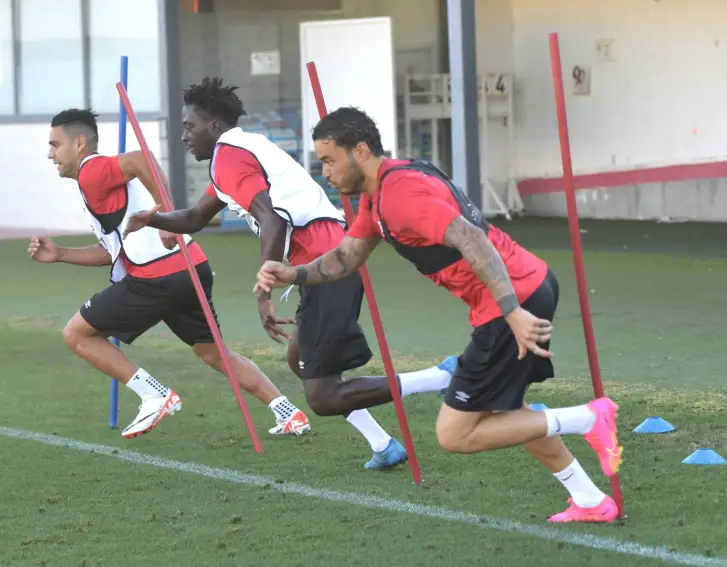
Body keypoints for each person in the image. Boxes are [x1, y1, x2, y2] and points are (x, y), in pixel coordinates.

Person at [253, 106, 623, 523]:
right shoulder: (382, 191)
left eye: (329, 160)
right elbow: (345, 257)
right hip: (526, 286)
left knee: (456, 433)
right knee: (507, 412)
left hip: (513, 299)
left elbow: (472, 239)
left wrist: (512, 313)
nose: (325, 173)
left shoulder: (400, 195)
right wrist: (294, 273)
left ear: (360, 151)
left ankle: (589, 418)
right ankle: (591, 500)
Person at [123, 77, 457, 470]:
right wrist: (154, 218)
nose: (184, 136)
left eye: (189, 126)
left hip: (323, 262)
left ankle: (441, 377)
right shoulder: (239, 151)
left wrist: (264, 291)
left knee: (322, 397)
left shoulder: (230, 156)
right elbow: (197, 216)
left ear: (213, 126)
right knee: (300, 360)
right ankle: (384, 445)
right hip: (322, 259)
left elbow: (272, 220)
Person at [29, 108, 310, 440]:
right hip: (190, 267)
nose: (50, 154)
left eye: (54, 145)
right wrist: (61, 254)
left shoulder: (92, 170)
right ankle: (287, 412)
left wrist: (169, 213)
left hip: (157, 277)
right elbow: (112, 253)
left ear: (78, 143)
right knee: (213, 352)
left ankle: (154, 395)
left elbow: (141, 159)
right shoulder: (92, 183)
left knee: (77, 334)